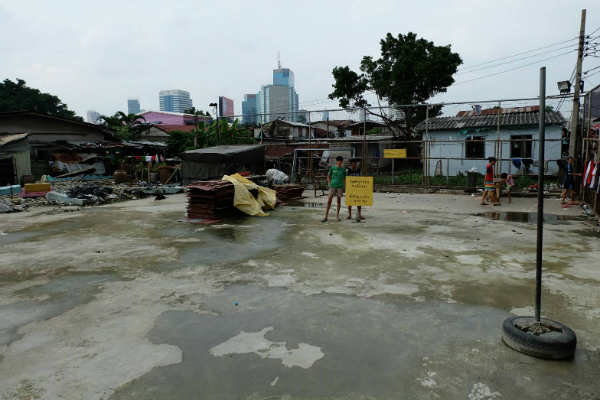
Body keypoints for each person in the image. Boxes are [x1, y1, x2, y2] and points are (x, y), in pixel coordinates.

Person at [321, 156, 346, 222]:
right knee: (329, 201)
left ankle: (337, 216)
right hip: (332, 186)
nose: (339, 162)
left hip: (340, 186)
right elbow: (328, 176)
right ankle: (326, 216)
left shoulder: (343, 170)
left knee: (338, 201)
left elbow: (345, 178)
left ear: (342, 161)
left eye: (340, 161)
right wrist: (329, 183)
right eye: (338, 161)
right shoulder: (332, 168)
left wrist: (345, 186)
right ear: (336, 161)